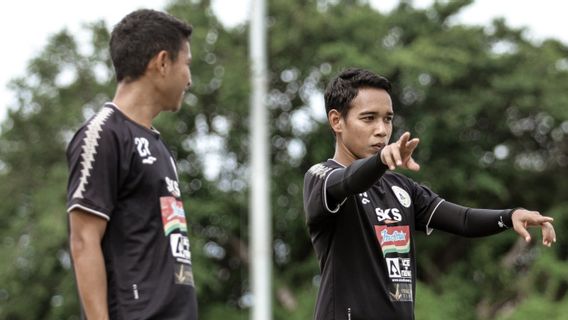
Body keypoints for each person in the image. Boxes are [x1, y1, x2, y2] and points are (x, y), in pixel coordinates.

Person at [303, 68, 556, 320]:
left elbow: (463, 220)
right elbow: (348, 181)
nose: (382, 130)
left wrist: (510, 216)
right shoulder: (321, 177)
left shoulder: (401, 188)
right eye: (368, 118)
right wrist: (381, 159)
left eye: (388, 119)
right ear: (337, 121)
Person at [66, 9, 197, 319]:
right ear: (162, 62)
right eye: (187, 65)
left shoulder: (159, 146)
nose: (189, 80)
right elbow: (83, 241)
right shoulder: (103, 134)